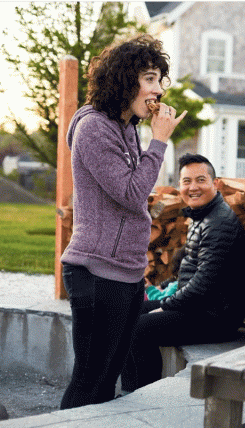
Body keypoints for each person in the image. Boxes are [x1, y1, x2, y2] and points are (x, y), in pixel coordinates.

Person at [59, 34, 187, 409]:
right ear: (124, 79)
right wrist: (159, 142)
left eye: (160, 79)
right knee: (90, 381)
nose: (158, 89)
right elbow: (131, 193)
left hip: (126, 273)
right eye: (150, 78)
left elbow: (131, 202)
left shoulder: (127, 127)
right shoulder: (94, 128)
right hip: (97, 273)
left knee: (107, 382)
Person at [120, 154, 245, 393]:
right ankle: (129, 391)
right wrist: (166, 293)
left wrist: (166, 303)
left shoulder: (219, 223)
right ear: (180, 185)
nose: (193, 187)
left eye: (200, 180)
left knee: (139, 329)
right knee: (126, 315)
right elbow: (195, 272)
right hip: (202, 306)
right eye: (186, 181)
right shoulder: (204, 214)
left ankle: (141, 395)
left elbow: (205, 283)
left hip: (217, 316)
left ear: (215, 184)